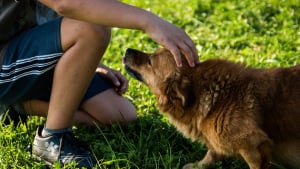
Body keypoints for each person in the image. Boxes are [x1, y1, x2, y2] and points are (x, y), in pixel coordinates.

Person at [0, 0, 199, 168]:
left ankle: (18, 106)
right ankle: (53, 138)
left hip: (27, 50)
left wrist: (86, 61)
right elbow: (66, 3)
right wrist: (149, 22)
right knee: (92, 27)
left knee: (119, 114)